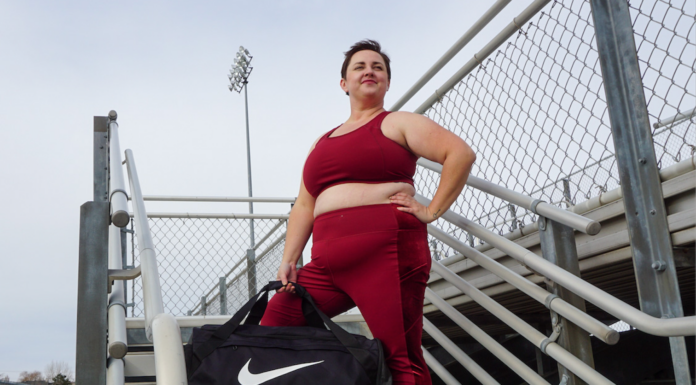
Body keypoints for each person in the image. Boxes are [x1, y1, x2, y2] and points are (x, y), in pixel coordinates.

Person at [260, 39, 476, 385]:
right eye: (359, 67)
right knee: (279, 315)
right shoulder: (322, 141)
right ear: (344, 84)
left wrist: (432, 210)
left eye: (378, 67)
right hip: (329, 261)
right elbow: (304, 203)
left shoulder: (398, 123)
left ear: (387, 82)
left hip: (386, 250)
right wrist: (290, 257)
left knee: (401, 356)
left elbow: (460, 154)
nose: (369, 71)